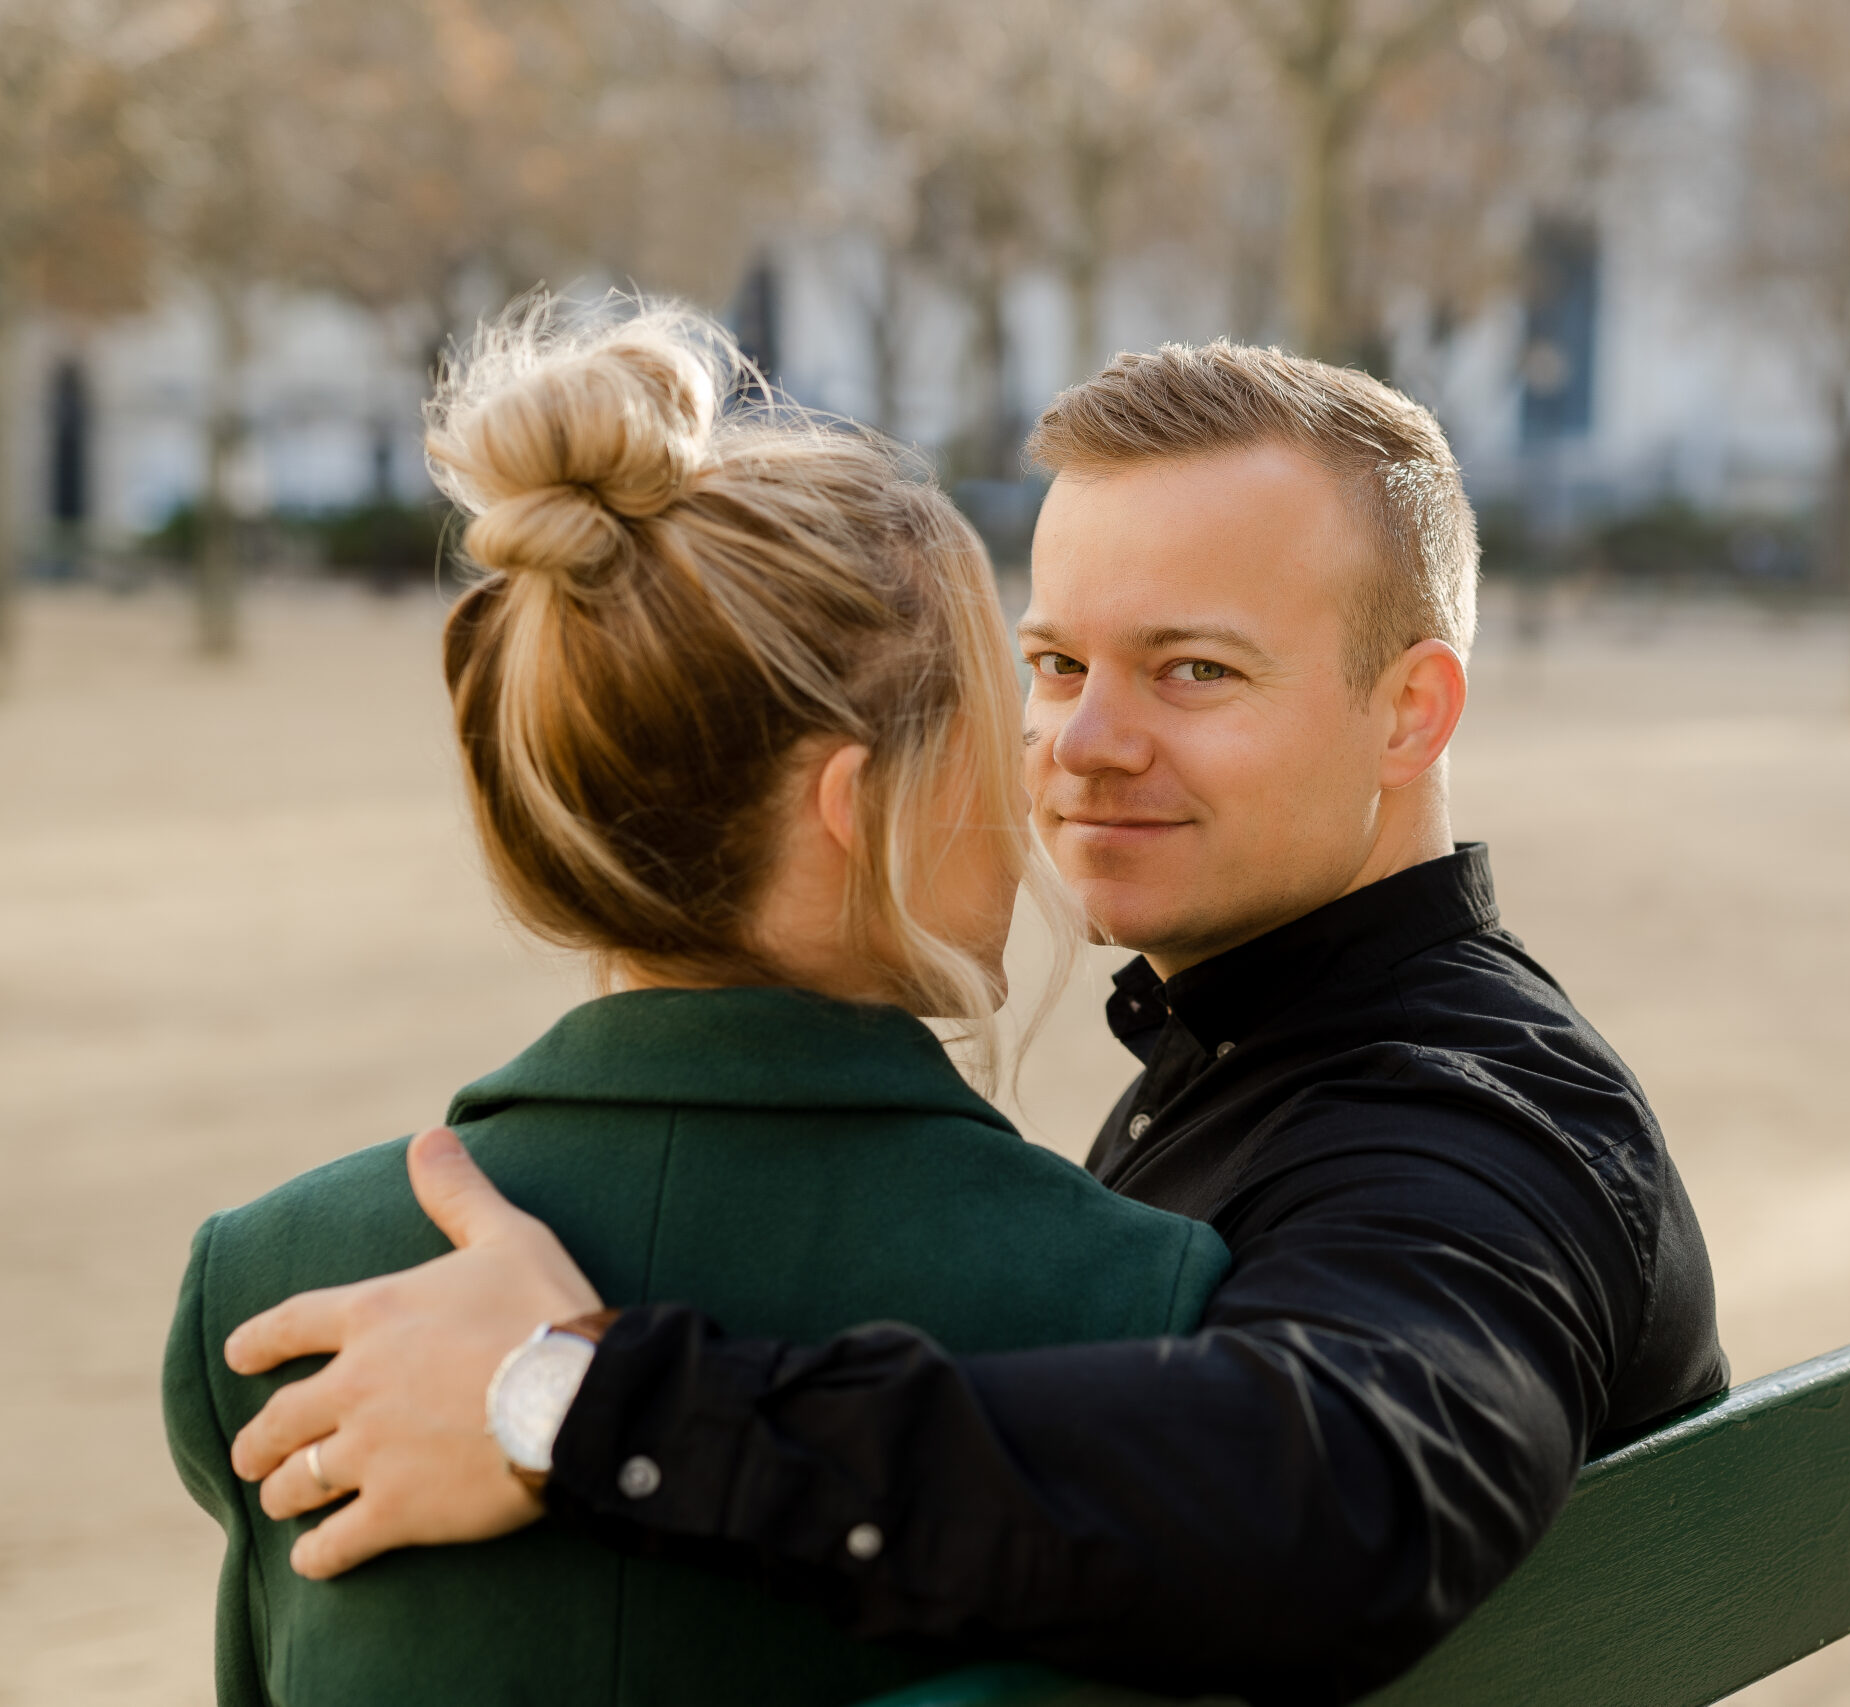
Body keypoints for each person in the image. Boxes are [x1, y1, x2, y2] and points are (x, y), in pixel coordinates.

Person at [220, 342, 1730, 1705]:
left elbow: (1338, 1496)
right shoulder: (1281, 1056)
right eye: (1057, 663)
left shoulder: (1476, 1116)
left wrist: (573, 1395)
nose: (1081, 746)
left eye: (1193, 672)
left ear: (1411, 711)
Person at [163, 301, 1233, 1707]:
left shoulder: (274, 1281)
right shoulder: (1131, 1298)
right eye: (990, 723)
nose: (1036, 801)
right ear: (857, 806)